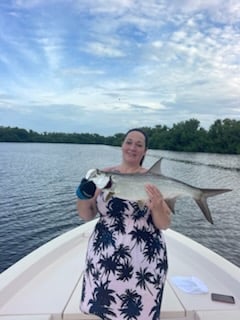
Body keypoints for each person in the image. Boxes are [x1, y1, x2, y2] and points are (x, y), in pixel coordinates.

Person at [76, 128, 171, 320]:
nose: (132, 148)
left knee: (139, 312)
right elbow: (86, 215)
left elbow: (164, 224)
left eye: (139, 144)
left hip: (144, 260)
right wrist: (82, 195)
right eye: (129, 142)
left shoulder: (153, 180)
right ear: (122, 145)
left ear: (145, 151)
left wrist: (158, 206)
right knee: (105, 310)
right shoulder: (104, 176)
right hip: (105, 257)